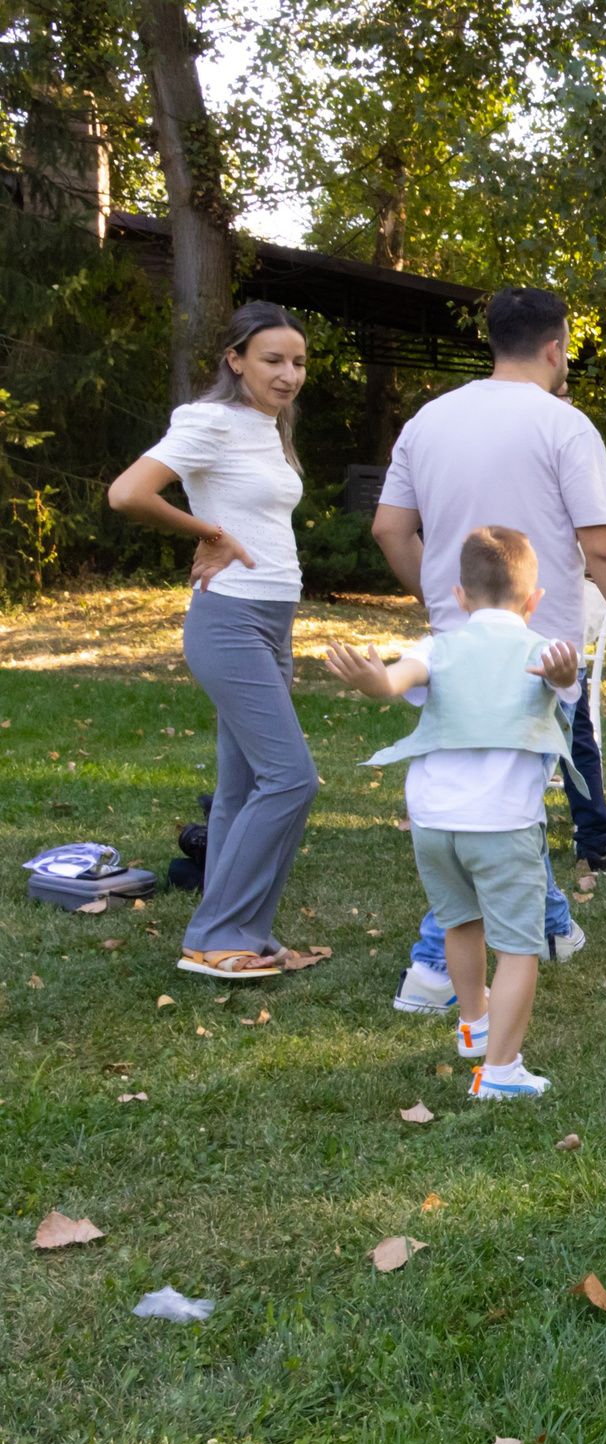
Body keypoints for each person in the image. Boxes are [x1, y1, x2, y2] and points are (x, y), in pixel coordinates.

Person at [371, 285, 606, 1016]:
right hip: (544, 653)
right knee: (500, 806)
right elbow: (603, 548)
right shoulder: (564, 426)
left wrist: (446, 606)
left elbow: (389, 529)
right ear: (555, 347)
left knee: (511, 794)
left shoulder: (428, 419)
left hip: (456, 641)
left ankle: (553, 923)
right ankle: (432, 967)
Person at [325, 527, 582, 1097]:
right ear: (534, 599)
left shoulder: (437, 645)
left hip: (434, 821)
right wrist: (565, 677)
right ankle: (500, 1073)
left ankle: (474, 1024)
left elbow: (395, 681)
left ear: (460, 596)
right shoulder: (544, 649)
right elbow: (565, 684)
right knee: (518, 948)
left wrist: (375, 680)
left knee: (459, 923)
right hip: (502, 824)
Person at [108, 302, 322, 980]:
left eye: (297, 362)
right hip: (228, 621)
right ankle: (215, 937)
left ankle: (245, 936)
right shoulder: (211, 422)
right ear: (235, 360)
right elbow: (127, 493)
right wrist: (207, 531)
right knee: (291, 778)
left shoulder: (269, 429)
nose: (288, 374)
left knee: (243, 788)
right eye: (272, 360)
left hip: (272, 620)